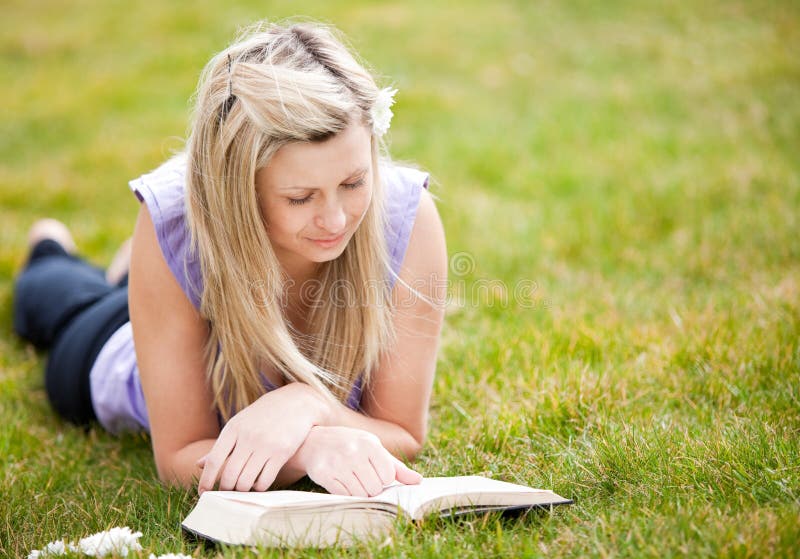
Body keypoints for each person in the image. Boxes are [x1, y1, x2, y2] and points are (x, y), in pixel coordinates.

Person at [13, 20, 447, 498]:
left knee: (138, 277)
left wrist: (310, 405)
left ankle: (136, 270)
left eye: (353, 183)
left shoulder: (405, 217)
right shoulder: (179, 217)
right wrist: (306, 451)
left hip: (180, 294)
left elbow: (402, 433)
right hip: (116, 337)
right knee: (51, 292)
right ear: (239, 192)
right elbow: (179, 456)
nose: (336, 219)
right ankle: (53, 247)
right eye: (300, 197)